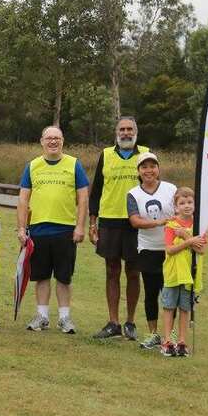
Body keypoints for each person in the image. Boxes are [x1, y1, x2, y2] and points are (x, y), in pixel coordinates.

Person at [16, 125, 89, 334]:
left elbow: (83, 198)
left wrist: (80, 226)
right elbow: (23, 199)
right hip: (38, 230)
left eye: (57, 138)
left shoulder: (74, 164)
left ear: (63, 141)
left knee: (64, 277)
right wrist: (22, 228)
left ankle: (65, 318)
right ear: (42, 141)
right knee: (41, 277)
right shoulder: (32, 166)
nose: (53, 142)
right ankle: (42, 316)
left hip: (65, 230)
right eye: (49, 138)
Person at [88, 116, 148, 341]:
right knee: (111, 271)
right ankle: (113, 322)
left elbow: (154, 186)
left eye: (129, 129)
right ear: (116, 132)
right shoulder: (106, 154)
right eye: (122, 129)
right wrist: (93, 223)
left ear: (136, 131)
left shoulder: (145, 154)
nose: (125, 133)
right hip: (110, 221)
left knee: (134, 272)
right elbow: (96, 191)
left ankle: (130, 322)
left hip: (136, 222)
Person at [126, 151, 177, 351]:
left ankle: (170, 335)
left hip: (171, 249)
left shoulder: (170, 189)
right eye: (144, 167)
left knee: (170, 293)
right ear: (138, 171)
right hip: (147, 249)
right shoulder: (133, 194)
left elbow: (181, 210)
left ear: (158, 168)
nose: (149, 171)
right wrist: (158, 223)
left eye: (152, 166)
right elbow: (134, 220)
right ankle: (153, 333)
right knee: (151, 292)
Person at [160, 186, 208, 357]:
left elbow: (202, 250)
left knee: (185, 308)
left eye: (190, 202)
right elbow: (170, 249)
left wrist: (187, 237)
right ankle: (167, 341)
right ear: (176, 206)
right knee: (169, 306)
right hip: (173, 274)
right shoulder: (171, 225)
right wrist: (189, 242)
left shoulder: (199, 226)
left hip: (190, 275)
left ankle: (181, 341)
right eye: (182, 203)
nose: (186, 206)